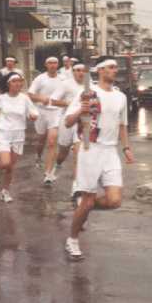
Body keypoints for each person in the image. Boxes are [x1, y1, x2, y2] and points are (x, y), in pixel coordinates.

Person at [63, 56, 136, 260]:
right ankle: (72, 240)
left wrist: (127, 148)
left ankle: (82, 205)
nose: (115, 70)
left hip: (111, 152)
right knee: (87, 201)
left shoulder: (120, 96)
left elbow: (122, 125)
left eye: (115, 68)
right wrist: (80, 111)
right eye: (111, 67)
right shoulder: (87, 93)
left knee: (114, 201)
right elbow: (68, 122)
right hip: (90, 148)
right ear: (100, 71)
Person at [0, 72, 39, 202]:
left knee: (10, 167)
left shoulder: (25, 98)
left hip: (19, 133)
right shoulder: (1, 98)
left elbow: (33, 112)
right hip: (4, 132)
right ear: (8, 83)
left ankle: (5, 191)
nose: (18, 83)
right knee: (6, 162)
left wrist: (33, 116)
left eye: (20, 81)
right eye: (14, 81)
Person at [50, 61, 87, 198]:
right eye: (77, 70)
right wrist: (68, 103)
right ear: (73, 72)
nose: (80, 73)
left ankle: (76, 187)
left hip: (82, 123)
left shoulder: (91, 85)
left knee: (79, 154)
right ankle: (58, 164)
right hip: (67, 120)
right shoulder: (66, 84)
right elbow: (53, 101)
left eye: (82, 70)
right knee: (63, 151)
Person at [28, 56, 63, 184]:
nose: (53, 65)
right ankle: (38, 155)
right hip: (42, 112)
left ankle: (48, 173)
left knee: (52, 141)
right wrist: (40, 98)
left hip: (56, 112)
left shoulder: (62, 79)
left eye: (55, 63)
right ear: (46, 65)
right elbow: (30, 95)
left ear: (58, 65)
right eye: (50, 63)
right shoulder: (40, 78)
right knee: (41, 139)